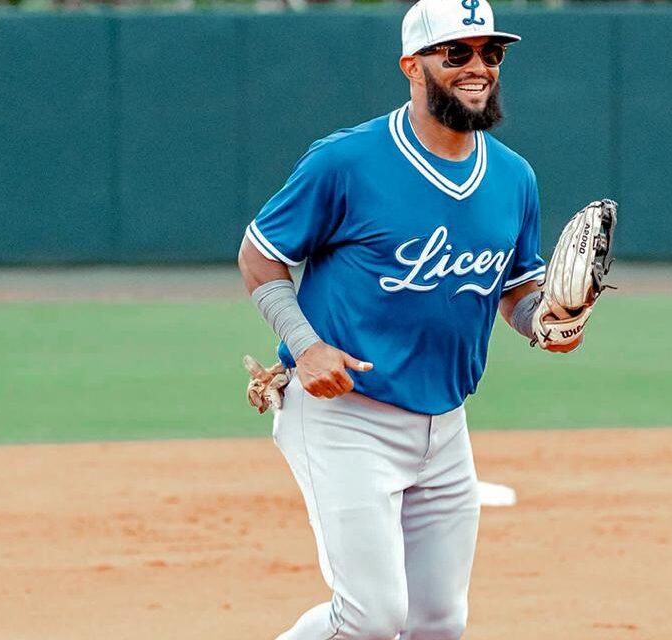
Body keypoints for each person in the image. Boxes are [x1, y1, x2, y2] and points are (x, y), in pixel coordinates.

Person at [237, 0, 582, 636]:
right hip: (346, 416)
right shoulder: (346, 161)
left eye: (491, 54)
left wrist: (545, 322)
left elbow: (517, 288)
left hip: (446, 424)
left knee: (438, 623)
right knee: (371, 620)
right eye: (457, 53)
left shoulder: (513, 177)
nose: (478, 67)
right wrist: (304, 344)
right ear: (412, 66)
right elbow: (260, 256)